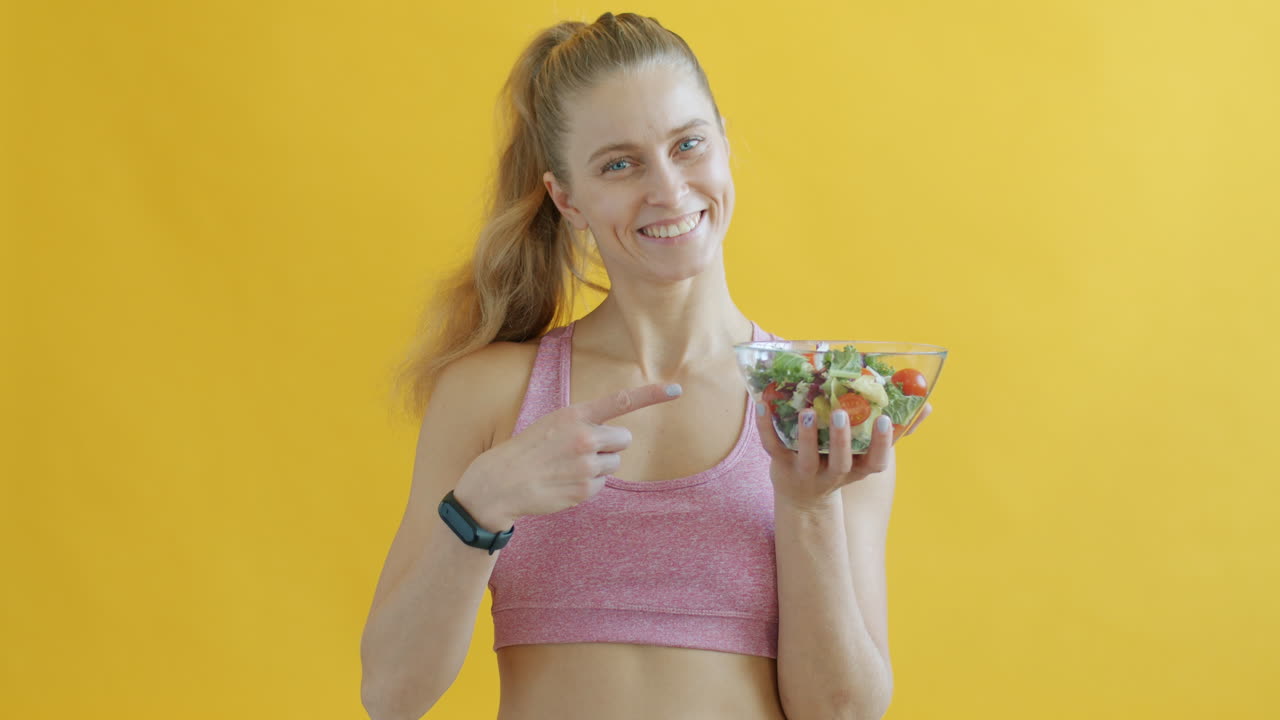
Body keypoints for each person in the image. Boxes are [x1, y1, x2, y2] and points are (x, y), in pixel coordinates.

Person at [360, 12, 932, 720]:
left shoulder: (818, 407)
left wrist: (808, 506)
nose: (667, 188)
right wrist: (482, 504)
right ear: (567, 199)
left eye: (687, 145)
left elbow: (841, 713)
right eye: (620, 164)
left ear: (723, 142)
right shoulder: (493, 394)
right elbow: (390, 695)